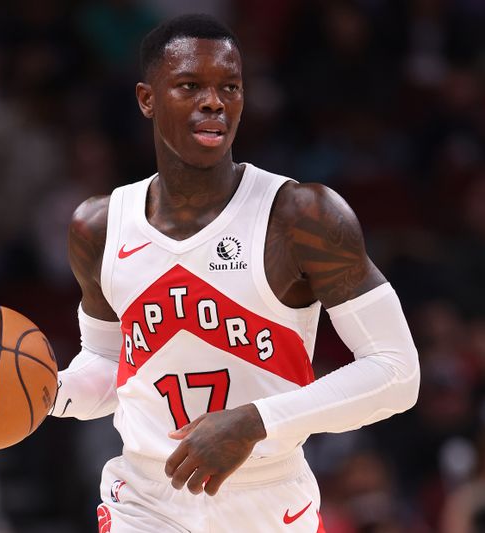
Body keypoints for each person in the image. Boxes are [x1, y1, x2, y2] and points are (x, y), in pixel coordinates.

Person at [51, 14, 420, 532]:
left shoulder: (302, 216)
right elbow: (112, 368)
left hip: (266, 496)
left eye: (230, 87)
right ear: (146, 99)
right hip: (145, 500)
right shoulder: (98, 226)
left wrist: (255, 422)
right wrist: (48, 391)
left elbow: (398, 374)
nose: (214, 102)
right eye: (189, 85)